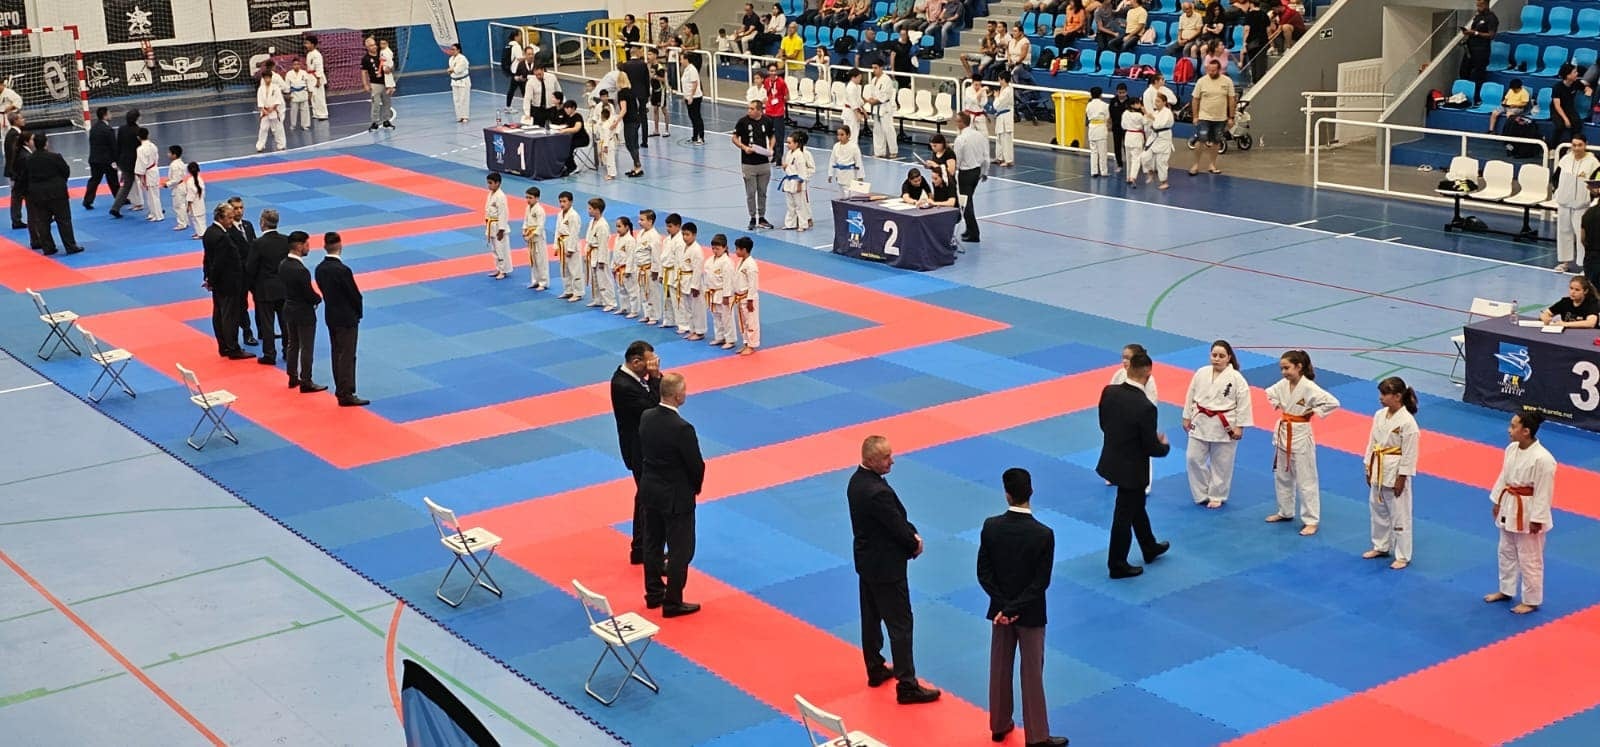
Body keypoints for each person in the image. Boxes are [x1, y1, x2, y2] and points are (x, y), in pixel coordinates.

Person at [847, 435, 942, 704]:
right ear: (871, 460)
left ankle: (875, 667)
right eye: (886, 457)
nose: (892, 460)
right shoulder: (878, 492)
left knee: (871, 617)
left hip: (867, 562)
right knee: (901, 623)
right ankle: (907, 684)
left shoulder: (856, 481)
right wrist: (914, 543)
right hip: (887, 568)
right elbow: (896, 526)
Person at [977, 468, 1066, 747]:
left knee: (999, 667)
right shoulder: (1043, 534)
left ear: (1006, 494)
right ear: (1031, 492)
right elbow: (1041, 583)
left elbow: (984, 573)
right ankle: (1037, 736)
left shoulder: (991, 526)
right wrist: (1017, 607)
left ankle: (999, 724)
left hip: (1000, 614)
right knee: (1032, 673)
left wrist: (1004, 607)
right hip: (1030, 614)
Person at [1097, 350, 1172, 579]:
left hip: (1112, 460)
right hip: (1132, 469)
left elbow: (1104, 424)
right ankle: (1117, 564)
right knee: (1123, 517)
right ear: (1148, 373)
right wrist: (1164, 446)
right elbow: (1150, 448)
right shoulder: (1145, 407)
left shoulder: (1109, 392)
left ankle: (1149, 546)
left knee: (1136, 506)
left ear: (1127, 369)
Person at [638, 372, 705, 617]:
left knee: (653, 543)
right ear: (678, 396)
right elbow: (695, 465)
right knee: (680, 550)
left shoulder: (646, 416)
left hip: (650, 490)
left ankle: (654, 593)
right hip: (676, 496)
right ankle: (673, 601)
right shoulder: (682, 428)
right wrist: (695, 487)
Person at [1486, 410, 1555, 616]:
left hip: (1529, 511)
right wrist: (1497, 500)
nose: (1509, 429)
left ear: (1526, 431)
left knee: (1530, 558)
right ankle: (1506, 590)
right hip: (1510, 505)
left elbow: (1544, 493)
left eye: (1513, 426)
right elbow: (1504, 477)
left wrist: (1537, 520)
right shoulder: (1511, 449)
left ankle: (1531, 600)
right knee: (1505, 551)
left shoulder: (1544, 459)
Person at [1264, 350, 1341, 536]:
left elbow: (1333, 403)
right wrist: (1281, 406)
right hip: (1284, 431)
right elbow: (1270, 393)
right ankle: (1285, 511)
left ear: (1299, 367)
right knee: (1282, 475)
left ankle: (1311, 520)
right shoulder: (1283, 385)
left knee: (1306, 480)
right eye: (1282, 368)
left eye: (1287, 368)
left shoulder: (1309, 387)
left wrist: (1313, 411)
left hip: (1300, 433)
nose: (1283, 372)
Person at [1184, 340, 1252, 508]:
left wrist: (1240, 426)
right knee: (1193, 458)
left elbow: (1244, 403)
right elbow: (1190, 395)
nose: (1217, 359)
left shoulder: (1236, 378)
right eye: (1214, 355)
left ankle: (1217, 494)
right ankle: (1201, 493)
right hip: (1200, 420)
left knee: (1222, 463)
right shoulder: (1201, 373)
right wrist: (1186, 416)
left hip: (1224, 424)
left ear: (1229, 357)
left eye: (1221, 356)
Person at [612, 341, 662, 565]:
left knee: (644, 497)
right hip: (638, 450)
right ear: (635, 362)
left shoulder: (632, 380)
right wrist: (656, 378)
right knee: (647, 500)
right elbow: (653, 407)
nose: (651, 366)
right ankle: (645, 550)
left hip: (642, 446)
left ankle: (641, 548)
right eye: (648, 362)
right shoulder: (624, 385)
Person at [1363, 376, 1420, 570]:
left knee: (1399, 514)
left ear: (1397, 396)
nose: (1380, 398)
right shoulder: (1379, 415)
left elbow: (1410, 454)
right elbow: (1372, 442)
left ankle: (1403, 555)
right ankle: (1380, 545)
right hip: (1378, 465)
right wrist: (1367, 466)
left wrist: (1402, 478)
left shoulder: (1408, 422)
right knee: (1377, 509)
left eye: (1384, 394)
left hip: (1395, 470)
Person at [317, 232, 368, 406]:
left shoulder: (320, 269)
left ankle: (341, 388)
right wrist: (358, 313)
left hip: (331, 315)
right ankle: (346, 393)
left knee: (336, 353)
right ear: (340, 246)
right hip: (347, 317)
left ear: (325, 246)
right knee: (347, 355)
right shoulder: (343, 270)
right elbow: (354, 295)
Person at [203, 204, 253, 361]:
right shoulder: (222, 237)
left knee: (219, 314)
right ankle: (233, 348)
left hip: (219, 282)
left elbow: (208, 259)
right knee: (229, 316)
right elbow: (218, 263)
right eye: (229, 218)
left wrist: (208, 278)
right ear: (220, 218)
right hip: (228, 283)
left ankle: (224, 346)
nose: (232, 221)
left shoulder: (209, 232)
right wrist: (212, 279)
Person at [1108, 343, 1158, 492]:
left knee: (1142, 452)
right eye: (1123, 357)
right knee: (1116, 448)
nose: (1124, 361)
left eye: (1128, 358)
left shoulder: (1148, 379)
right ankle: (1114, 475)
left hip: (1138, 422)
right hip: (1119, 420)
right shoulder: (1119, 374)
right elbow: (1111, 395)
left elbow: (1151, 403)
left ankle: (1145, 483)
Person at [25, 133, 83, 256]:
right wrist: (60, 182)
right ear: (46, 143)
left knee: (43, 221)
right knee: (64, 220)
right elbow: (65, 171)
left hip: (38, 194)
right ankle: (70, 246)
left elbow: (25, 177)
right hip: (57, 193)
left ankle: (48, 247)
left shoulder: (29, 159)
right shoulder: (55, 157)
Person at [278, 230, 322, 388]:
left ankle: (292, 376)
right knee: (306, 347)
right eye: (307, 244)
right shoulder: (301, 271)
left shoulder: (283, 265)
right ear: (299, 246)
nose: (308, 247)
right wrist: (318, 299)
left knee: (292, 344)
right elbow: (308, 293)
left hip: (289, 308)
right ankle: (306, 380)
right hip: (304, 312)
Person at [244, 210, 289, 365]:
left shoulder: (258, 243)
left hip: (264, 288)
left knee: (267, 323)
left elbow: (251, 267)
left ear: (262, 222)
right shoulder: (286, 240)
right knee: (285, 322)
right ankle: (287, 350)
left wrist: (251, 285)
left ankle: (269, 354)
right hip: (283, 287)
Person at [1552, 134, 1599, 273]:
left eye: (1580, 145)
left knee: (1581, 236)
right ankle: (1564, 263)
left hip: (1581, 206)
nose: (1577, 148)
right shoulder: (1565, 159)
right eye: (1574, 145)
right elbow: (1555, 178)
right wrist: (1558, 192)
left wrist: (1591, 197)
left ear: (1586, 145)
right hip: (1564, 203)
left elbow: (1596, 182)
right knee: (1563, 232)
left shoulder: (1593, 163)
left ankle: (1584, 266)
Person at [734, 100, 776, 231]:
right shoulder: (743, 121)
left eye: (752, 109)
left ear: (759, 110)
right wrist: (744, 147)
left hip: (763, 162)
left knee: (762, 192)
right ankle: (752, 217)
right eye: (748, 108)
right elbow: (734, 137)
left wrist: (771, 148)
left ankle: (762, 217)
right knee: (751, 192)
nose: (749, 111)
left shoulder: (767, 121)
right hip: (748, 163)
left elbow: (772, 136)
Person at [1189, 59, 1236, 176]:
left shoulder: (1227, 81)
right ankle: (1195, 165)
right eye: (1209, 70)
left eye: (1214, 70)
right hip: (1204, 116)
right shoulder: (1201, 81)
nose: (1211, 72)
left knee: (1216, 141)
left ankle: (1212, 165)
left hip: (1220, 118)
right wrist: (1195, 116)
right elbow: (1195, 99)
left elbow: (1231, 99)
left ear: (1219, 70)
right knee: (1201, 139)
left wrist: (1231, 117)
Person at [953, 112, 989, 244]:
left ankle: (974, 233)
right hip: (976, 172)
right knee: (969, 201)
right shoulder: (979, 136)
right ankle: (969, 230)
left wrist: (952, 172)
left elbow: (957, 159)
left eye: (957, 121)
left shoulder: (960, 139)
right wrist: (984, 172)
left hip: (966, 174)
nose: (956, 124)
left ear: (962, 123)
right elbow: (986, 156)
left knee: (966, 204)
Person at [1461, 0, 1498, 104]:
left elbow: (1491, 35)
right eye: (1477, 5)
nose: (1478, 7)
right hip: (1470, 49)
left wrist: (1475, 33)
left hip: (1481, 50)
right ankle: (1464, 96)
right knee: (1464, 72)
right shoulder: (1478, 17)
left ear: (1486, 4)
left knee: (1478, 75)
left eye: (1480, 5)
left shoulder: (1491, 18)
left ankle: (1477, 98)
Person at [84, 107, 121, 210]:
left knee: (94, 180)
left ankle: (87, 201)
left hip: (94, 159)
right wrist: (117, 160)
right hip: (107, 160)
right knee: (113, 180)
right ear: (105, 115)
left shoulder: (93, 128)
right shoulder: (108, 130)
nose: (111, 115)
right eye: (109, 113)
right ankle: (119, 199)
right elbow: (113, 146)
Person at [704, 234, 736, 349]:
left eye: (718, 248)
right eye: (713, 248)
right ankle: (720, 337)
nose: (715, 251)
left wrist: (727, 295)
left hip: (723, 293)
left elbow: (729, 281)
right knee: (716, 316)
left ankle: (730, 339)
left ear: (725, 248)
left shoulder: (727, 262)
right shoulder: (709, 261)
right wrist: (706, 290)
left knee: (726, 317)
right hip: (712, 292)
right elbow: (707, 278)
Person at [110, 110, 144, 218]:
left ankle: (132, 204)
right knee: (145, 184)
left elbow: (118, 145)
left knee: (127, 185)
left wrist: (117, 160)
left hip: (124, 161)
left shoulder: (122, 129)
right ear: (137, 118)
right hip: (135, 162)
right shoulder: (138, 131)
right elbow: (140, 148)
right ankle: (153, 207)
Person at [780, 132, 815, 231]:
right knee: (790, 205)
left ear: (796, 144)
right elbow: (788, 169)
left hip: (797, 182)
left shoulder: (800, 155)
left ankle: (803, 225)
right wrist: (785, 168)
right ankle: (790, 224)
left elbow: (802, 171)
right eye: (787, 142)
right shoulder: (788, 154)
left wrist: (800, 184)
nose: (787, 144)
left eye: (790, 143)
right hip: (789, 181)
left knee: (800, 206)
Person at [679, 222, 709, 340]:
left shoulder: (696, 250)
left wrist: (695, 286)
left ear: (694, 235)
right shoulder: (685, 247)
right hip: (684, 279)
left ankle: (700, 331)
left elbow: (698, 269)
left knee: (697, 309)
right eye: (683, 234)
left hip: (693, 281)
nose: (685, 237)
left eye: (688, 235)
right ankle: (692, 329)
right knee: (688, 309)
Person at [585, 197, 615, 311]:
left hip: (600, 253)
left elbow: (603, 244)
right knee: (595, 279)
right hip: (593, 252)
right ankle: (598, 299)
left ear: (597, 210)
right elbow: (589, 238)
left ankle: (610, 302)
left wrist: (602, 260)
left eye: (590, 209)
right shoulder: (592, 222)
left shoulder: (602, 225)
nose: (588, 210)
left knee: (604, 280)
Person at [864, 62, 899, 158]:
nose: (874, 70)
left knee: (888, 129)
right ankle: (879, 152)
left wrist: (874, 101)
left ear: (881, 68)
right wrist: (870, 99)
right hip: (875, 109)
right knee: (877, 131)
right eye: (873, 68)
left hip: (884, 107)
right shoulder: (874, 80)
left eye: (875, 68)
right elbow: (872, 93)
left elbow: (886, 95)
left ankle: (893, 151)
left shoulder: (887, 79)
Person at [733, 236, 760, 355]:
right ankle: (745, 343)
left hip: (748, 297)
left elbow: (753, 284)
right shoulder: (741, 262)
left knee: (751, 322)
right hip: (740, 296)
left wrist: (750, 300)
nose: (736, 251)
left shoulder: (751, 265)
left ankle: (752, 345)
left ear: (744, 250)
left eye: (738, 249)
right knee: (742, 322)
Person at [555, 191, 584, 301]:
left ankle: (578, 292)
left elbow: (574, 233)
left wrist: (571, 249)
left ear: (571, 202)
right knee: (564, 269)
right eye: (560, 201)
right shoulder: (560, 214)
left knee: (575, 269)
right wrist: (556, 246)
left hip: (571, 243)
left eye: (564, 201)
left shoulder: (574, 216)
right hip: (562, 242)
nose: (562, 204)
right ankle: (568, 290)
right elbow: (557, 230)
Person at [1143, 92, 1176, 189]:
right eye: (1155, 101)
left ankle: (1164, 182)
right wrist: (1147, 118)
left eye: (1158, 101)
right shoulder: (1156, 112)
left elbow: (1159, 124)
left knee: (1161, 161)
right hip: (1153, 137)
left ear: (1164, 102)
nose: (1156, 103)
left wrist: (1151, 117)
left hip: (1164, 138)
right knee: (1144, 157)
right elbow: (1149, 123)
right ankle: (1150, 173)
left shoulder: (1167, 112)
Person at [361, 37, 394, 131]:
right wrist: (365, 84)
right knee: (375, 103)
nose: (374, 47)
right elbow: (364, 72)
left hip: (386, 82)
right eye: (371, 45)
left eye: (375, 44)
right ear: (367, 47)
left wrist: (390, 69)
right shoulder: (365, 59)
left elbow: (391, 64)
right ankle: (375, 122)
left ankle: (386, 121)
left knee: (387, 102)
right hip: (375, 84)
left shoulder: (382, 53)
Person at [167, 146, 200, 235]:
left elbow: (176, 179)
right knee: (182, 204)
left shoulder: (174, 165)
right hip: (181, 185)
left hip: (178, 186)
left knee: (178, 206)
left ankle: (182, 223)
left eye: (169, 153)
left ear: (174, 155)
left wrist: (167, 184)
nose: (168, 154)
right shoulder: (181, 162)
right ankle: (185, 221)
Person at [484, 172, 511, 280]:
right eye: (488, 183)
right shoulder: (490, 194)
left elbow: (503, 213)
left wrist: (501, 229)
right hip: (491, 224)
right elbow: (487, 210)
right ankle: (498, 268)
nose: (489, 185)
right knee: (494, 249)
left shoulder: (501, 196)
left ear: (498, 183)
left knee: (501, 249)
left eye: (491, 183)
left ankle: (503, 270)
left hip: (498, 226)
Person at [550, 100, 589, 176]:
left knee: (567, 148)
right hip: (571, 138)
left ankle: (573, 167)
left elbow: (576, 128)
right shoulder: (567, 116)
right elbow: (565, 125)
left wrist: (565, 130)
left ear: (573, 108)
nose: (566, 110)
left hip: (581, 139)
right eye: (565, 108)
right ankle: (563, 165)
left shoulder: (577, 116)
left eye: (568, 108)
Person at [637, 209, 662, 322]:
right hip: (640, 267)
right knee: (643, 292)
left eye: (642, 220)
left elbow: (656, 255)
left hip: (649, 269)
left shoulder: (654, 236)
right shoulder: (641, 233)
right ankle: (647, 314)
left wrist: (655, 271)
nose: (639, 222)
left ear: (650, 221)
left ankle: (654, 316)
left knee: (652, 293)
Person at [523, 186, 550, 291]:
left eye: (530, 198)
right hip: (530, 235)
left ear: (537, 198)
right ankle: (535, 281)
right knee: (533, 260)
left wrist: (531, 234)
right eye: (527, 197)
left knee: (540, 260)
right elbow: (525, 221)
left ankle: (543, 282)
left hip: (538, 238)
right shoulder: (527, 208)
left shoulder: (540, 210)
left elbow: (540, 226)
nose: (528, 200)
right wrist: (524, 231)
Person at [133, 128, 164, 221]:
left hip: (148, 172)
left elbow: (141, 163)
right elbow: (156, 158)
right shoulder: (153, 146)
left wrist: (139, 174)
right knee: (151, 194)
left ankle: (158, 215)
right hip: (153, 170)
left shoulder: (140, 149)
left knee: (153, 195)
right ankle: (153, 213)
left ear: (138, 137)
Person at [170, 160, 206, 239]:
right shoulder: (200, 179)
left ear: (189, 171)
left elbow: (190, 195)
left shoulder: (190, 181)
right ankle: (200, 232)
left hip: (194, 203)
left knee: (196, 219)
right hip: (200, 201)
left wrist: (188, 205)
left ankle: (201, 234)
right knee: (201, 219)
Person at [255, 70, 287, 152]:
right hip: (265, 111)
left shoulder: (275, 88)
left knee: (278, 128)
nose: (267, 80)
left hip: (274, 110)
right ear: (263, 78)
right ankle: (260, 146)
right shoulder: (261, 89)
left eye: (268, 78)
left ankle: (281, 145)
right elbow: (260, 101)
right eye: (265, 78)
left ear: (271, 78)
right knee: (263, 128)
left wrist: (273, 107)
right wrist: (262, 109)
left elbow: (278, 99)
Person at [613, 216, 638, 316]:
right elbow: (615, 253)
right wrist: (613, 266)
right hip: (618, 267)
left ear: (627, 227)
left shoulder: (630, 240)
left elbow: (631, 256)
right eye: (616, 226)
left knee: (631, 290)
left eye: (619, 226)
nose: (617, 229)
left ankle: (634, 310)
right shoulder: (617, 238)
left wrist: (628, 270)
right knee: (621, 289)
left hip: (627, 269)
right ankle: (624, 307)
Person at [990, 73, 1015, 167]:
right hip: (1001, 116)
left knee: (1006, 139)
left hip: (1006, 117)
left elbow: (996, 105)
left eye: (999, 79)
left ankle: (1008, 160)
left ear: (1003, 80)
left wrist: (996, 96)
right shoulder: (1003, 89)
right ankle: (999, 158)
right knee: (999, 138)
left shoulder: (1008, 91)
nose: (999, 81)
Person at [525, 61, 562, 127]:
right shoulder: (530, 83)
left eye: (540, 74)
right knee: (537, 130)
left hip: (551, 108)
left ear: (543, 70)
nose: (539, 76)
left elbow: (559, 91)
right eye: (537, 74)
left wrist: (561, 104)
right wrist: (527, 114)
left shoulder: (552, 78)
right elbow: (527, 99)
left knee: (556, 128)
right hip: (537, 110)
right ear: (534, 72)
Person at [1120, 99, 1146, 188]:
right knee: (1136, 158)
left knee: (1128, 158)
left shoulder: (1125, 113)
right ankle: (1132, 177)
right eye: (1138, 103)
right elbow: (1146, 123)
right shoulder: (1139, 115)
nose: (1140, 104)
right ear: (1133, 105)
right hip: (1137, 136)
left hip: (1128, 135)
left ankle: (1128, 177)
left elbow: (1123, 126)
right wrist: (1145, 113)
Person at [1086, 86, 1111, 177]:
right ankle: (1103, 171)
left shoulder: (1088, 105)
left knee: (1093, 151)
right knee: (1102, 152)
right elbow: (1108, 117)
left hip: (1092, 128)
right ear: (1101, 95)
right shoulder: (1104, 105)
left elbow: (1088, 115)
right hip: (1101, 128)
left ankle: (1094, 171)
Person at [680, 53, 705, 143]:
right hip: (688, 97)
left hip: (695, 97)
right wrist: (685, 95)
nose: (680, 61)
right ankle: (694, 136)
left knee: (697, 117)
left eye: (681, 59)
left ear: (687, 59)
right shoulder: (686, 69)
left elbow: (695, 83)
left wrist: (691, 96)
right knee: (692, 117)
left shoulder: (692, 69)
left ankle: (701, 137)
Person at [303, 36, 328, 120]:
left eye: (307, 43)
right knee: (313, 96)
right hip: (310, 76)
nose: (306, 45)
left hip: (316, 76)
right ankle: (316, 113)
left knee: (319, 96)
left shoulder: (317, 55)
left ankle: (323, 114)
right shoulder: (309, 54)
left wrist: (318, 79)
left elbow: (319, 68)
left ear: (313, 44)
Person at [446, 43, 471, 123]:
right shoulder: (451, 59)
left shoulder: (462, 59)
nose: (452, 51)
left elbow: (458, 69)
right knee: (456, 99)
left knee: (463, 99)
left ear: (458, 50)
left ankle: (465, 116)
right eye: (451, 49)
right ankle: (459, 116)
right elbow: (451, 71)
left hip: (463, 81)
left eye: (453, 49)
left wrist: (451, 70)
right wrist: (451, 70)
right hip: (454, 81)